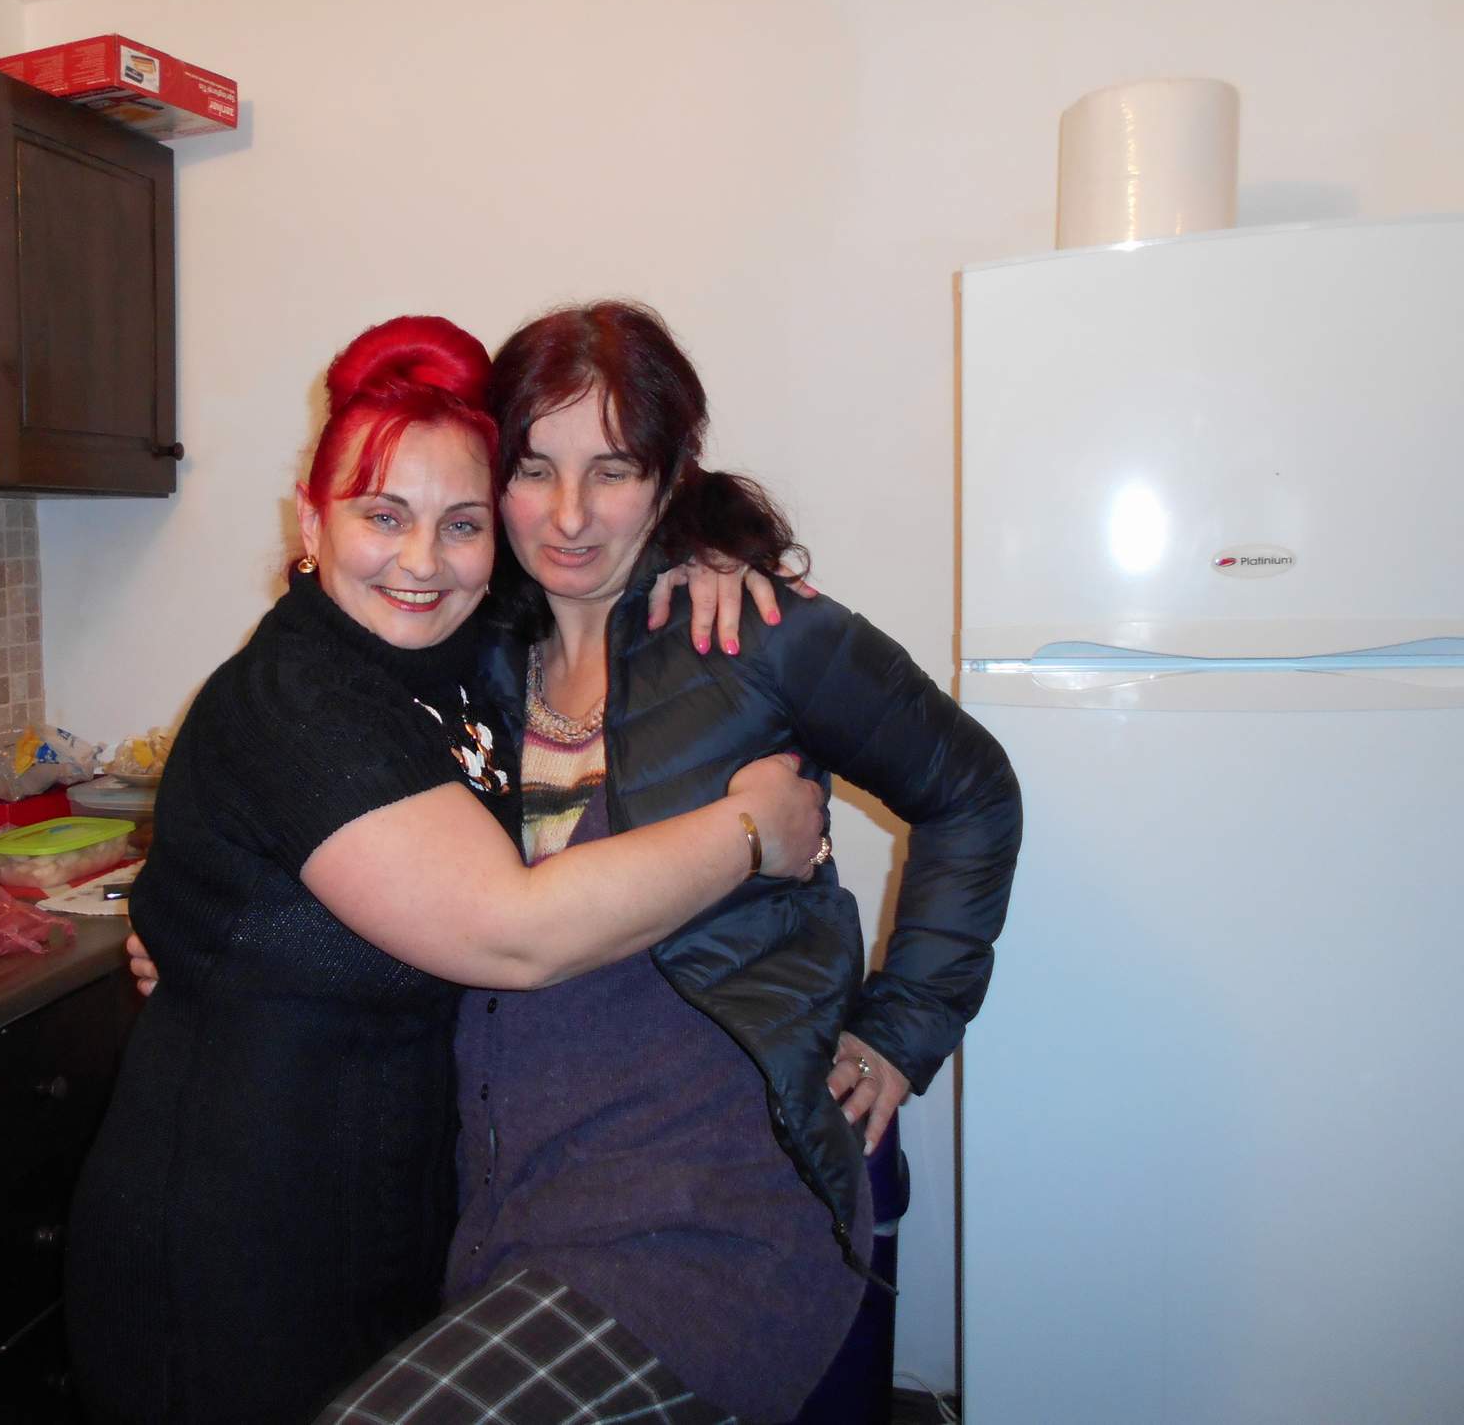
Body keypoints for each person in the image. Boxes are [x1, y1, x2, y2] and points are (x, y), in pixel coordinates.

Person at [64, 315, 829, 1425]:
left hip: (406, 1228)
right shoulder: (298, 696)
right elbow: (511, 932)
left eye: (460, 524)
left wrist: (705, 547)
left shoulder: (461, 660)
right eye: (382, 516)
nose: (421, 561)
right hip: (237, 1244)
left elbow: (598, 533)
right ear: (310, 520)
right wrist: (752, 830)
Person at [317, 302, 1023, 1424]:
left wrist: (901, 1031)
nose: (568, 515)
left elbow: (972, 792)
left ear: (669, 473)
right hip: (506, 1215)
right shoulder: (469, 661)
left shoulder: (753, 636)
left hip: (711, 1223)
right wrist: (211, 929)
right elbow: (351, 815)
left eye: (613, 470)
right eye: (534, 469)